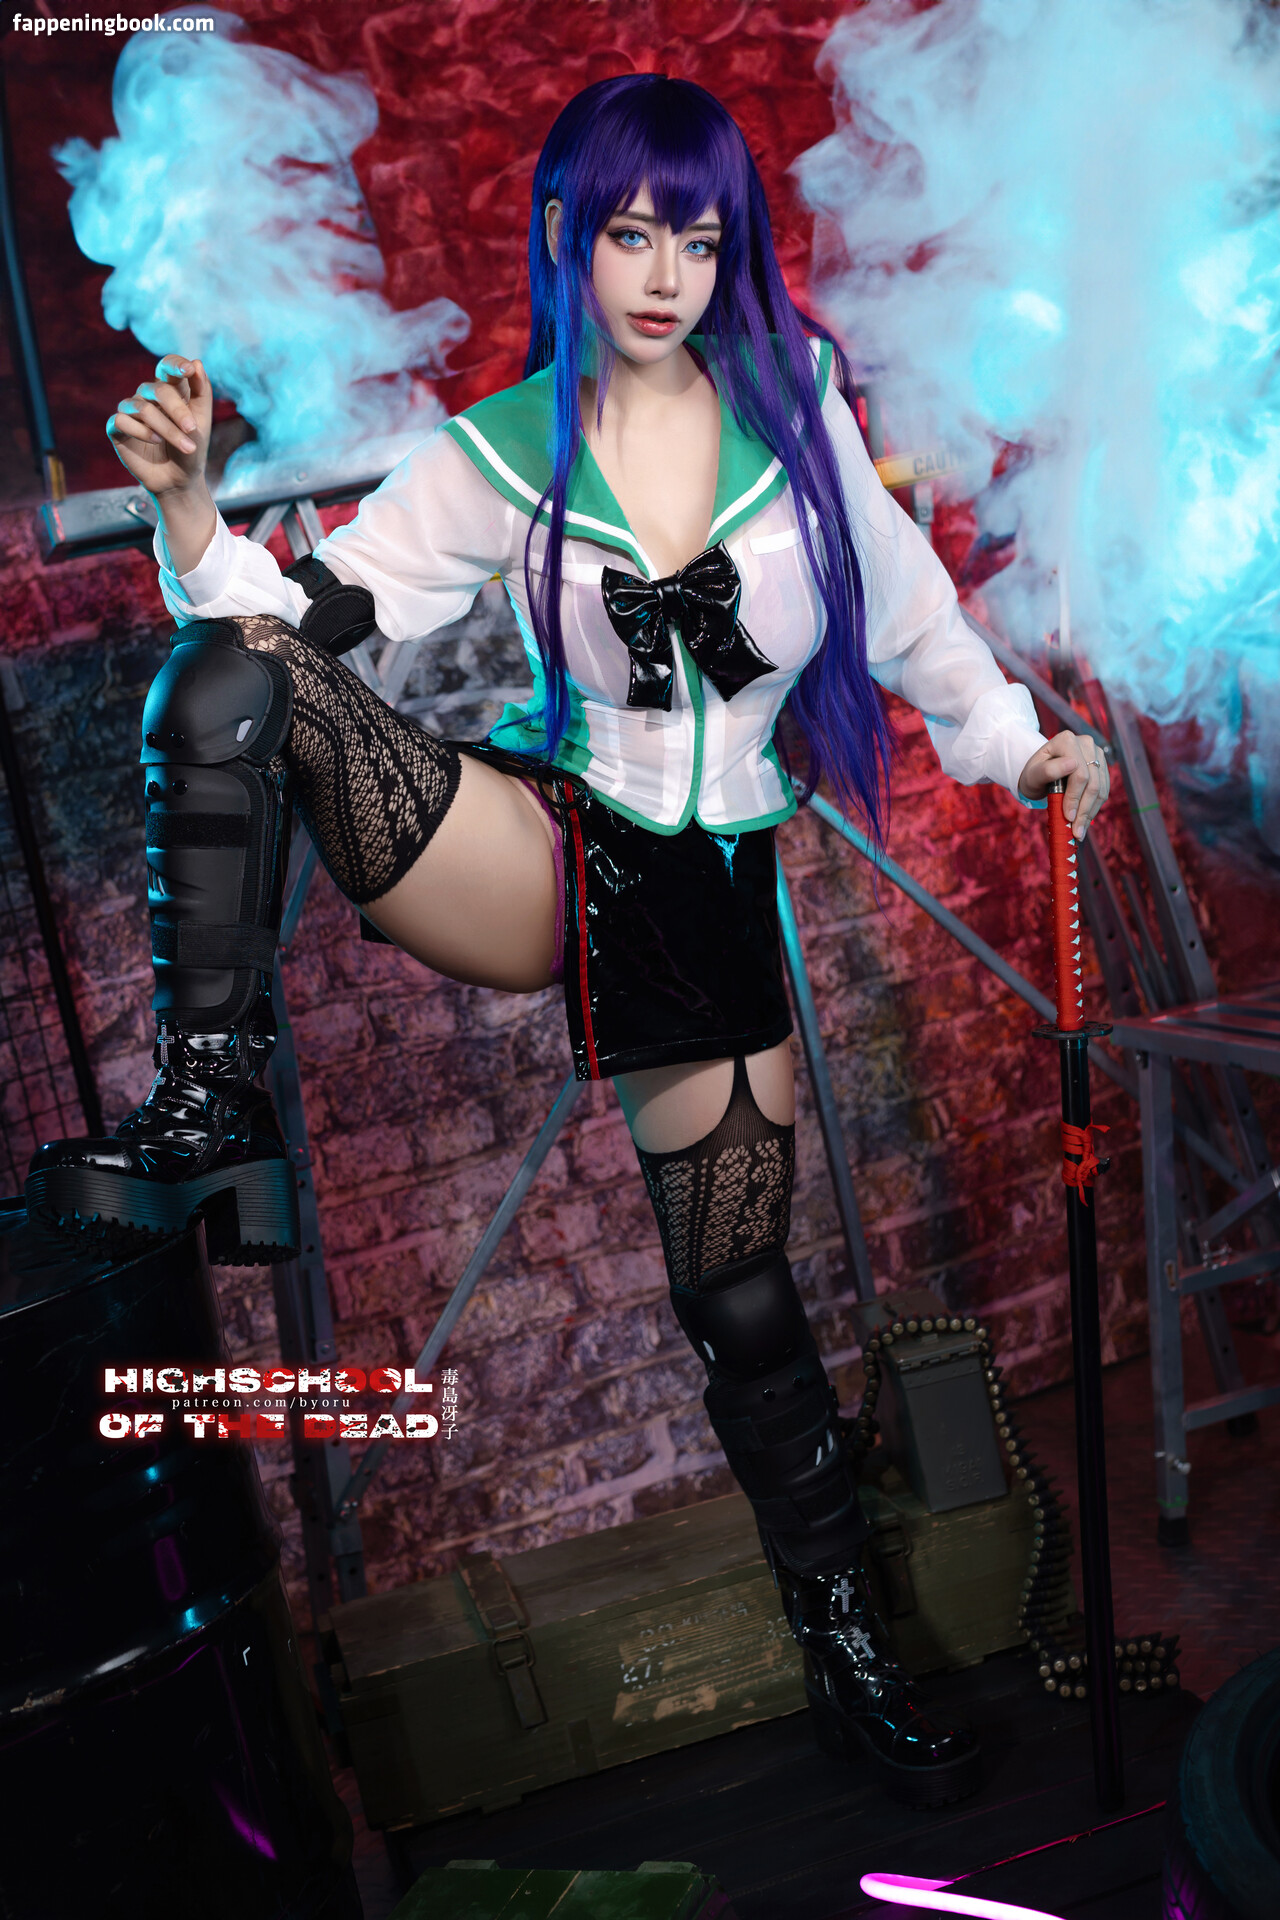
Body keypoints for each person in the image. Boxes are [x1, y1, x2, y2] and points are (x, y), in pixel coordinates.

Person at [28, 74, 1109, 1805]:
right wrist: (187, 520)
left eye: (699, 239)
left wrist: (1017, 745)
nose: (665, 274)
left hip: (709, 905)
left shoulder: (796, 407)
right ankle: (213, 1108)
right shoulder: (505, 449)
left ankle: (852, 1664)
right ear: (566, 238)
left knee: (742, 1302)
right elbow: (308, 616)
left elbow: (912, 618)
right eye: (630, 234)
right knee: (233, 680)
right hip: (545, 850)